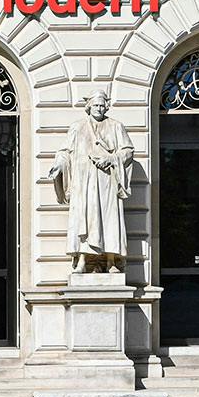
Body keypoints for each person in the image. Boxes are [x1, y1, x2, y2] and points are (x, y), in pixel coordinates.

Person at [54, 93, 135, 271]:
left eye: (101, 105)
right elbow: (64, 152)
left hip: (107, 181)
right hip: (84, 182)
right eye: (95, 105)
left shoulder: (116, 126)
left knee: (109, 219)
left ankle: (111, 261)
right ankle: (82, 261)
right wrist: (59, 165)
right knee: (84, 219)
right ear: (89, 107)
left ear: (106, 107)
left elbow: (128, 151)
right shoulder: (77, 127)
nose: (98, 108)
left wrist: (112, 159)